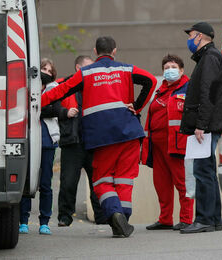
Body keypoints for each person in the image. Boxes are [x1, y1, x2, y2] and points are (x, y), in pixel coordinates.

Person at [42, 36, 157, 238]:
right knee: (124, 179)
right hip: (129, 132)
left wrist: (36, 101)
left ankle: (114, 214)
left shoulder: (86, 72)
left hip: (102, 136)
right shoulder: (126, 69)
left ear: (95, 51)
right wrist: (138, 105)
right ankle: (122, 219)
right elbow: (151, 80)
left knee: (102, 179)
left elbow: (60, 91)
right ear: (114, 51)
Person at [179, 22, 222, 234]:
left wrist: (201, 125)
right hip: (210, 124)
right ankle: (213, 220)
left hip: (207, 126)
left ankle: (205, 219)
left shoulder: (209, 58)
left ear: (199, 36)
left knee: (202, 171)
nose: (189, 40)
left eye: (191, 35)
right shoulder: (211, 57)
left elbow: (207, 93)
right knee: (207, 171)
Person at [19, 58, 78, 235]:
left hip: (47, 140)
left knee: (45, 183)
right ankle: (23, 221)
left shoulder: (54, 89)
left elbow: (54, 110)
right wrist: (48, 110)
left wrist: (40, 110)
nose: (45, 71)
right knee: (26, 182)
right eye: (43, 68)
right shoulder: (26, 88)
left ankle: (44, 221)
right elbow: (28, 110)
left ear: (53, 74)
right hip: (28, 139)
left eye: (49, 70)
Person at [142, 54, 194, 231]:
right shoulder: (160, 91)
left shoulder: (188, 89)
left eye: (173, 67)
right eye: (166, 68)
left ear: (181, 70)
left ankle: (186, 219)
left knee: (182, 183)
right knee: (161, 184)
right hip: (157, 147)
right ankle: (165, 219)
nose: (169, 70)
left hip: (177, 145)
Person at [57, 55, 107, 227]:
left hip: (94, 141)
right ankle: (65, 216)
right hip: (72, 141)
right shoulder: (63, 84)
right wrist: (64, 112)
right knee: (69, 181)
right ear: (78, 68)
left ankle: (101, 217)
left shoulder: (98, 85)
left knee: (98, 181)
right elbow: (51, 104)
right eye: (87, 67)